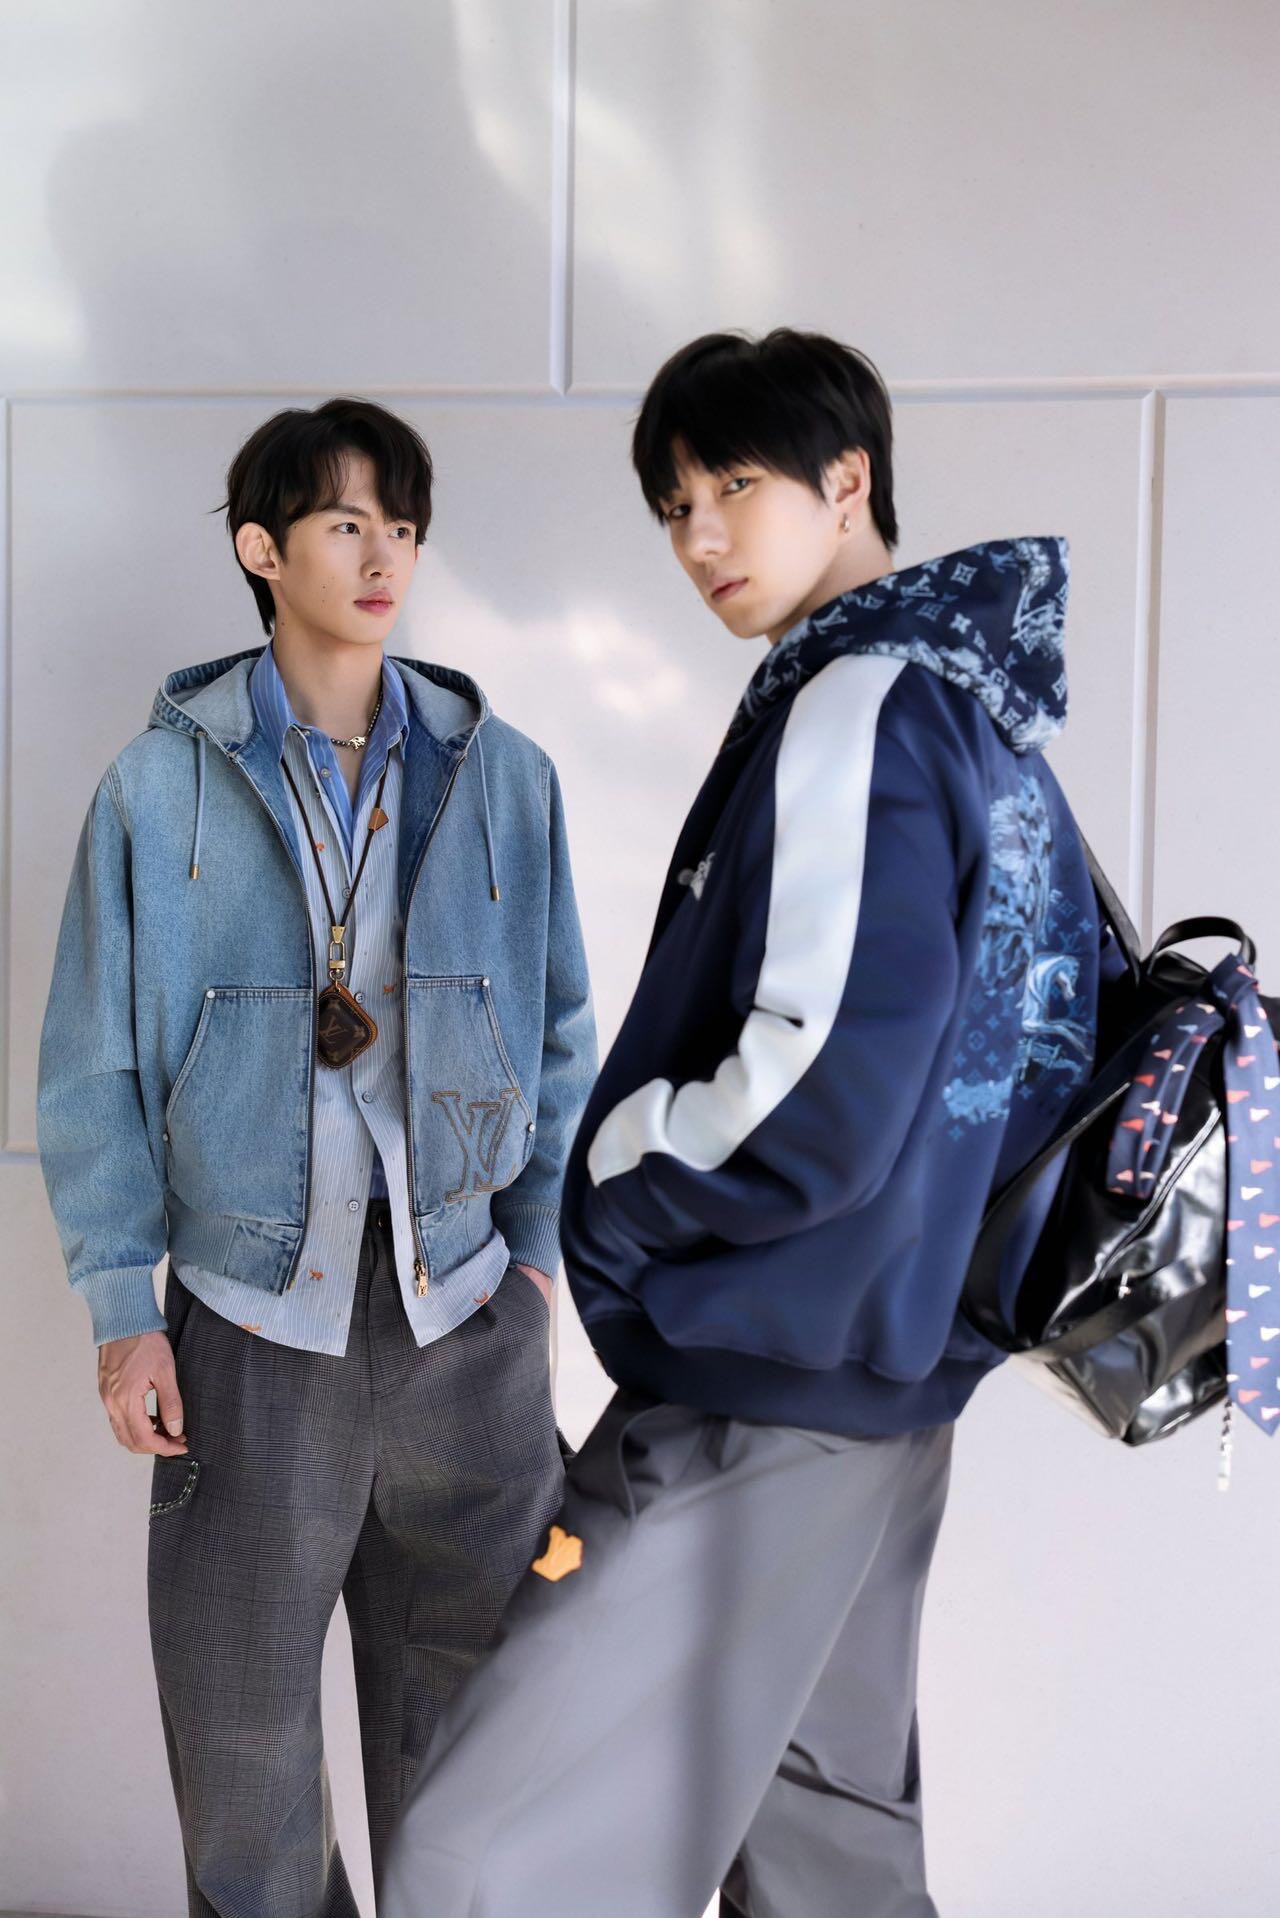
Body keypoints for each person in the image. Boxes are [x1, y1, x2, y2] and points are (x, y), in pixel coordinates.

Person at [380, 330, 1103, 1918]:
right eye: (674, 506)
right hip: (886, 1379)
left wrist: (611, 1186)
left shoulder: (859, 703)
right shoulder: (980, 715)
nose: (700, 535)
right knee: (829, 1850)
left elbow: (816, 1082)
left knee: (481, 1852)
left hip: (760, 1382)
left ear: (848, 482)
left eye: (735, 486)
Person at [36, 396, 596, 1915]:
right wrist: (124, 1309)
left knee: (481, 1762)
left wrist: (535, 1266)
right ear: (260, 549)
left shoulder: (504, 775)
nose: (384, 556)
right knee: (244, 1770)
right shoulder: (156, 787)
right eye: (347, 523)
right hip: (249, 1326)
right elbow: (91, 1064)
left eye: (402, 526)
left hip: (464, 1317)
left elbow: (561, 1033)